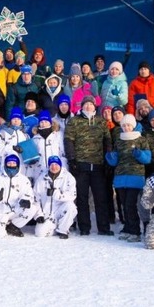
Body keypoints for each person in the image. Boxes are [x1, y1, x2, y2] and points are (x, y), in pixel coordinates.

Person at [64, 95, 112, 236]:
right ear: (82, 106)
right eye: (86, 104)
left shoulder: (101, 122)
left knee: (100, 198)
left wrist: (108, 160)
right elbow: (68, 141)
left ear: (95, 106)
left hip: (98, 166)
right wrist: (72, 159)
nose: (88, 107)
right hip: (81, 166)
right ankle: (84, 227)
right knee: (82, 198)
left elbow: (107, 142)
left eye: (91, 104)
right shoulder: (74, 122)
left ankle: (104, 227)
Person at [105, 114, 151, 242]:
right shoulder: (119, 140)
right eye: (124, 125)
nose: (126, 127)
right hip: (121, 177)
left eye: (129, 125)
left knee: (131, 205)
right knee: (124, 205)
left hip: (135, 177)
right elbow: (115, 161)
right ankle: (128, 228)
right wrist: (111, 157)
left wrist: (139, 154)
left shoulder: (141, 139)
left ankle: (135, 231)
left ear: (133, 126)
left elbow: (147, 159)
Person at [0, 154, 40, 238]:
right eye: (9, 163)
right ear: (5, 164)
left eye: (13, 163)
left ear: (17, 164)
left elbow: (28, 193)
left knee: (32, 208)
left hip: (15, 210)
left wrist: (25, 200)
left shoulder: (23, 179)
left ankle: (13, 226)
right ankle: (0, 225)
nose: (11, 165)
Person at [33, 155, 77, 239]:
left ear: (60, 165)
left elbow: (72, 195)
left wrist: (57, 194)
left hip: (61, 209)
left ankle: (63, 230)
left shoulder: (68, 177)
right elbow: (35, 198)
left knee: (71, 207)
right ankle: (54, 226)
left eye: (56, 165)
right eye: (51, 165)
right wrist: (38, 214)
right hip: (47, 213)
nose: (54, 167)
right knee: (40, 233)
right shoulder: (42, 178)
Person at [31, 111, 68, 180]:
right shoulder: (35, 138)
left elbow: (63, 153)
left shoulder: (58, 135)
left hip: (56, 168)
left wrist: (64, 168)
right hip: (39, 170)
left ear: (50, 123)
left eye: (46, 121)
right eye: (41, 122)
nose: (44, 124)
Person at [0, 107, 29, 173]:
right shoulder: (3, 133)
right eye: (14, 118)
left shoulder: (25, 135)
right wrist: (12, 148)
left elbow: (29, 154)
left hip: (21, 170)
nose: (16, 120)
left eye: (18, 119)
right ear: (10, 120)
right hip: (5, 169)